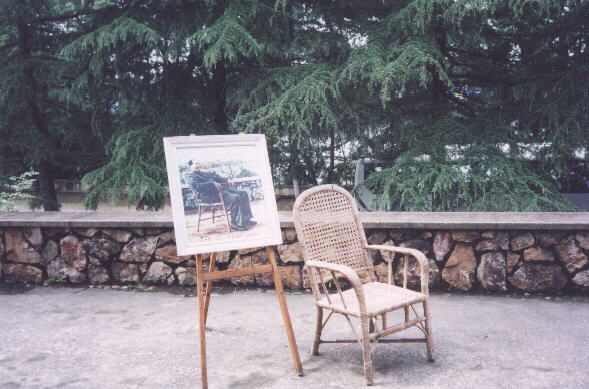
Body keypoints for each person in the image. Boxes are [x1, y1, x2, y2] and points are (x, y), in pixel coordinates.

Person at [185, 160, 256, 231]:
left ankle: (246, 219)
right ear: (191, 166)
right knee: (235, 198)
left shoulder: (205, 173)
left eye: (199, 163)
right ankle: (235, 224)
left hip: (220, 190)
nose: (198, 165)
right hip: (209, 195)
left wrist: (227, 180)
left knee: (243, 193)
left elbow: (217, 178)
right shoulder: (191, 176)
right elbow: (197, 186)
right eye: (196, 164)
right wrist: (212, 183)